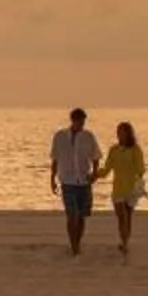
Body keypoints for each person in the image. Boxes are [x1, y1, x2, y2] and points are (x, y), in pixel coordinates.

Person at [46, 108, 102, 255]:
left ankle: (78, 241)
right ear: (73, 120)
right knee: (72, 215)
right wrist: (52, 179)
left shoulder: (88, 136)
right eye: (79, 121)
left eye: (83, 121)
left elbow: (96, 156)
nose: (82, 124)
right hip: (67, 181)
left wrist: (95, 173)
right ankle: (74, 246)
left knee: (82, 216)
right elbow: (55, 159)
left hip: (84, 181)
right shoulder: (60, 136)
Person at [96, 121, 148, 263]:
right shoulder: (114, 150)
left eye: (123, 132)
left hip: (131, 189)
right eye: (118, 132)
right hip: (118, 188)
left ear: (128, 134)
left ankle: (125, 242)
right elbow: (107, 169)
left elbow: (141, 169)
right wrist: (95, 175)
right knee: (121, 216)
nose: (120, 135)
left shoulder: (135, 149)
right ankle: (123, 241)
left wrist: (139, 176)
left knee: (128, 217)